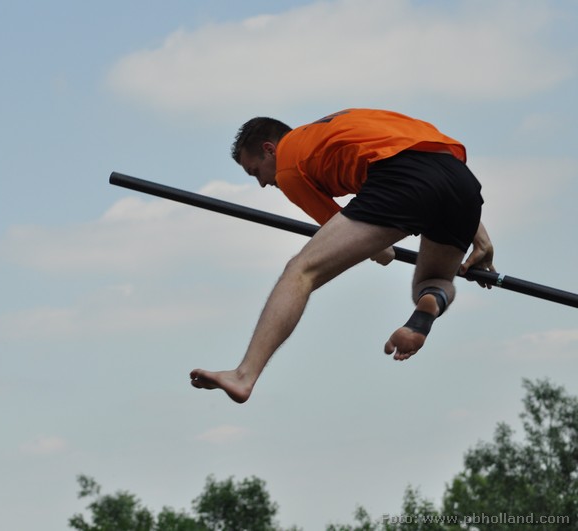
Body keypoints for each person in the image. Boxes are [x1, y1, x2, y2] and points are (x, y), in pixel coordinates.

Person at [190, 108, 495, 404]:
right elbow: (430, 165)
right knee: (435, 280)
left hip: (403, 177)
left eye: (255, 171)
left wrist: (379, 249)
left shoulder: (288, 166)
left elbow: (360, 238)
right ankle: (422, 318)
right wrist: (478, 236)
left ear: (270, 150)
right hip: (460, 180)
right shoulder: (341, 123)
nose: (262, 183)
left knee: (301, 271)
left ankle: (244, 375)